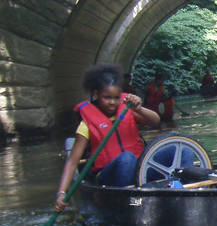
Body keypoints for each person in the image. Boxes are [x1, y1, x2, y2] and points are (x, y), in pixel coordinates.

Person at [54, 64, 162, 212]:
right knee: (127, 159)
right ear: (97, 95)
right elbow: (72, 162)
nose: (112, 102)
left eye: (116, 98)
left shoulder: (127, 109)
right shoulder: (86, 124)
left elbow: (156, 122)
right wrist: (61, 193)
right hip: (109, 177)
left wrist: (139, 109)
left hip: (140, 169)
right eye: (107, 97)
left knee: (179, 151)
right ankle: (129, 204)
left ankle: (181, 192)